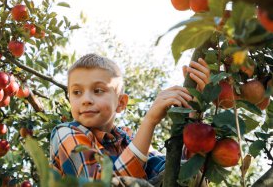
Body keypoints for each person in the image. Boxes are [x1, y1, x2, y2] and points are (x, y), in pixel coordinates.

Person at [49, 53, 210, 182]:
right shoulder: (65, 133)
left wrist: (194, 111)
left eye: (98, 90)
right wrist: (150, 121)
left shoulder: (128, 139)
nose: (86, 100)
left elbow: (174, 172)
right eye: (77, 92)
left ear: (120, 103)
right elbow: (101, 183)